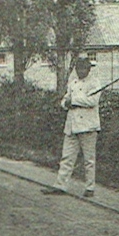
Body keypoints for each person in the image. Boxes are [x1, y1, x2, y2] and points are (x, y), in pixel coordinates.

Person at [42, 57, 101, 198]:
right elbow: (65, 99)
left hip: (88, 126)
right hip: (71, 126)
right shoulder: (73, 83)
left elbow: (92, 101)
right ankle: (60, 185)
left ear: (88, 69)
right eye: (79, 68)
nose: (81, 71)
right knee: (67, 157)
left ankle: (90, 187)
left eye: (84, 69)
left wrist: (74, 101)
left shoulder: (95, 83)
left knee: (89, 159)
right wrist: (65, 103)